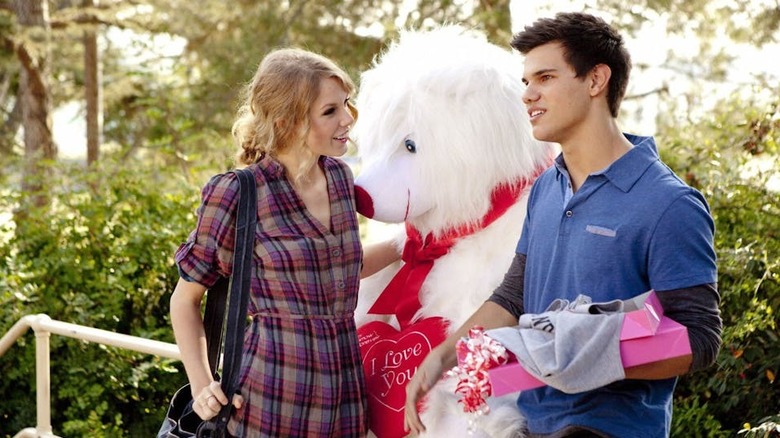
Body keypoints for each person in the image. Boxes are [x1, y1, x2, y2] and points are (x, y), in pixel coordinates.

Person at [404, 12, 722, 438]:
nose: (529, 95)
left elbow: (700, 339)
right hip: (531, 425)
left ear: (595, 81)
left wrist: (587, 358)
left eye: (546, 77)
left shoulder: (668, 203)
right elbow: (514, 295)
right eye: (526, 82)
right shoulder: (545, 189)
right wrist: (443, 356)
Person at [170, 48, 399, 437]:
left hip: (345, 398)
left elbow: (339, 270)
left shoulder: (341, 179)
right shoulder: (239, 193)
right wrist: (201, 384)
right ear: (286, 121)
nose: (348, 119)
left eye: (346, 104)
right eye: (330, 112)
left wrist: (408, 243)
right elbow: (185, 299)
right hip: (272, 398)